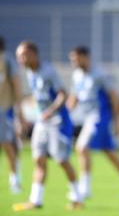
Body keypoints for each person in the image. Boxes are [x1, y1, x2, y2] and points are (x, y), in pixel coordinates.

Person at [12, 41, 83, 211]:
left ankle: (77, 197)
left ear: (34, 55)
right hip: (42, 122)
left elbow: (62, 95)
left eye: (24, 55)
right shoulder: (30, 73)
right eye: (19, 56)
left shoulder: (48, 71)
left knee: (62, 161)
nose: (21, 59)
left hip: (58, 122)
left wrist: (50, 111)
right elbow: (39, 97)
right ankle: (35, 200)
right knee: (38, 159)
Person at [66, 46, 119, 201]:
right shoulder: (77, 76)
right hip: (88, 118)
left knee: (81, 147)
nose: (73, 62)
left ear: (85, 57)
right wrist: (63, 114)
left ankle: (84, 189)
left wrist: (117, 121)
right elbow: (73, 98)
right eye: (71, 59)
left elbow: (114, 97)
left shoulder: (99, 75)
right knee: (109, 152)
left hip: (99, 117)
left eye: (75, 58)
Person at [0, 36, 26, 194]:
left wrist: (19, 111)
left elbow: (16, 85)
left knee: (7, 143)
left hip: (4, 108)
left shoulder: (7, 61)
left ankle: (15, 178)